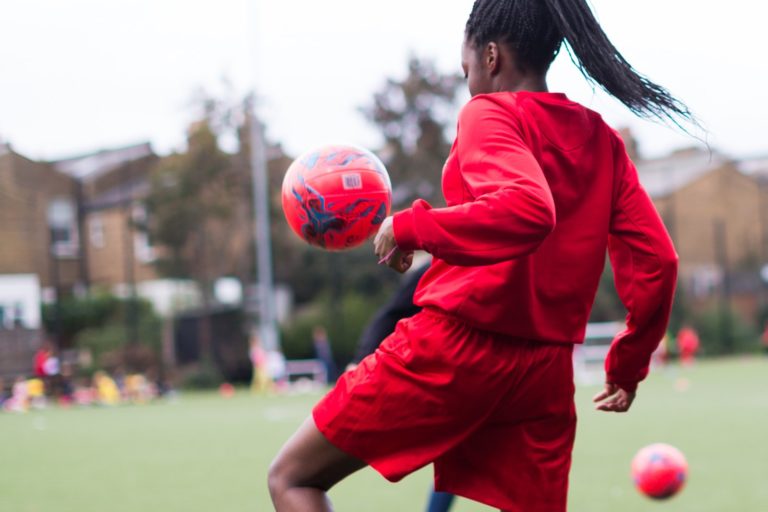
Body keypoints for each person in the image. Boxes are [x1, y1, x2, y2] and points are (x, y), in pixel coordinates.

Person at [268, 1, 686, 510]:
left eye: (465, 68)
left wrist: (411, 226)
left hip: (456, 349)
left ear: (490, 56)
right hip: (546, 371)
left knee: (292, 478)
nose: (466, 80)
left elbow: (529, 209)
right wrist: (628, 362)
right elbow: (659, 262)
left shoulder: (490, 112)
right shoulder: (602, 138)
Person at [349, 261, 457, 512]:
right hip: (453, 379)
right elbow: (391, 313)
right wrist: (359, 360)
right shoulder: (438, 265)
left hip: (496, 378)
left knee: (290, 476)